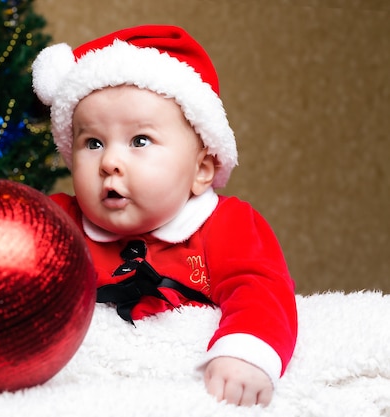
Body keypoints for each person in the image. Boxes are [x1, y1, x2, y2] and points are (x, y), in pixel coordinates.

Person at [32, 25, 297, 407]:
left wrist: (244, 352)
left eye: (140, 140)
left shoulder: (226, 224)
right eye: (93, 142)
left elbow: (260, 288)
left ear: (201, 170)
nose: (110, 162)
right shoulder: (57, 221)